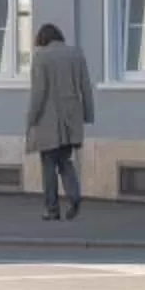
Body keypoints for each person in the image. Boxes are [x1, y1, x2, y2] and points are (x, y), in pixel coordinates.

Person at [23, 22, 93, 221]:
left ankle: (52, 209)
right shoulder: (76, 55)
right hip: (71, 120)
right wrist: (88, 115)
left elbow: (38, 94)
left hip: (48, 120)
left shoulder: (41, 58)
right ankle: (74, 196)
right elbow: (86, 88)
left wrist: (31, 119)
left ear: (42, 40)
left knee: (48, 164)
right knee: (65, 161)